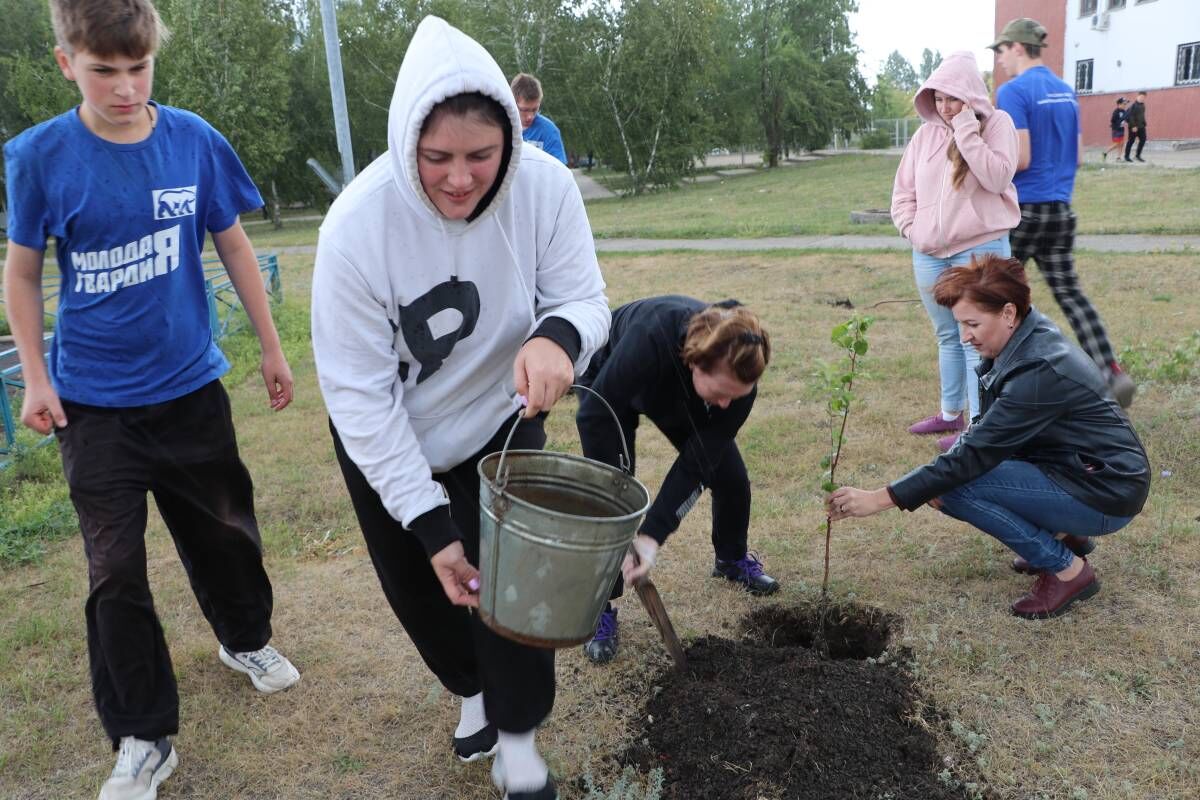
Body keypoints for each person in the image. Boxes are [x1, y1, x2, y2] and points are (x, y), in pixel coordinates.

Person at [2, 2, 301, 798]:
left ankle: (246, 639)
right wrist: (35, 374)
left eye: (139, 68)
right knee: (114, 573)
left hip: (191, 392)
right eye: (104, 71)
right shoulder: (38, 157)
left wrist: (271, 348)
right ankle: (142, 734)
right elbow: (24, 271)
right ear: (67, 62)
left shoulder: (194, 140)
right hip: (92, 405)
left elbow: (231, 241)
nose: (126, 87)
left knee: (225, 534)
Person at [311, 17, 609, 800]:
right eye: (436, 157)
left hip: (500, 420)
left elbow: (583, 296)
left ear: (512, 135)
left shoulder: (543, 187)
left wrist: (556, 339)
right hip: (393, 434)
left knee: (516, 589)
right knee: (426, 590)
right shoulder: (355, 227)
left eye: (480, 155)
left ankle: (518, 744)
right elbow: (359, 399)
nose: (458, 178)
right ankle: (470, 690)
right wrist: (430, 524)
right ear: (406, 142)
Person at [828, 254, 1149, 619]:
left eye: (972, 324)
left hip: (1105, 493)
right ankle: (1065, 533)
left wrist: (881, 498)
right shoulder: (1024, 337)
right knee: (951, 466)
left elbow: (972, 458)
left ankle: (1068, 570)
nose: (965, 337)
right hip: (1084, 472)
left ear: (1008, 313)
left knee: (953, 486)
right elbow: (983, 436)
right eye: (960, 325)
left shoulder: (1037, 369)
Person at [575, 296, 777, 665]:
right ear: (696, 363)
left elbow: (698, 462)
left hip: (678, 393)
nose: (728, 406)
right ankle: (599, 607)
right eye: (722, 393)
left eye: (738, 396)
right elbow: (592, 415)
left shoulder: (736, 388)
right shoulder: (649, 337)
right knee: (610, 500)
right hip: (611, 386)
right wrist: (622, 508)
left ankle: (731, 560)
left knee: (731, 478)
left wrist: (651, 535)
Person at [990, 17, 1136, 408]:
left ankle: (994, 382)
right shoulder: (1066, 92)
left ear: (1018, 47)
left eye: (1001, 50)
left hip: (1023, 212)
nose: (1000, 59)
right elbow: (1077, 158)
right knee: (1070, 293)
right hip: (1060, 210)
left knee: (992, 296)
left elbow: (1020, 157)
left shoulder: (1012, 92)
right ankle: (1109, 370)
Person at [891, 51, 1020, 452]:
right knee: (946, 334)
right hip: (929, 253)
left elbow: (998, 176)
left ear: (970, 95)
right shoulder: (924, 136)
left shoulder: (997, 125)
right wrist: (913, 230)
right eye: (939, 99)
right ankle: (950, 414)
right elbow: (903, 192)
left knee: (975, 338)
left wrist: (966, 129)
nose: (945, 108)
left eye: (953, 99)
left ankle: (978, 425)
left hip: (979, 251)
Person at [510, 73, 568, 165]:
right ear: (512, 103)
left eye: (535, 109)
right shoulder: (499, 128)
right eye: (524, 110)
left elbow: (558, 170)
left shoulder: (549, 131)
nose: (530, 116)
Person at [1124, 91, 1147, 163]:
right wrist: (1133, 126)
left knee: (1143, 140)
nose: (1142, 98)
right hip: (1133, 127)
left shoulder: (1143, 105)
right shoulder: (1133, 106)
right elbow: (1130, 116)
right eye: (1141, 97)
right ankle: (1126, 156)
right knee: (1131, 141)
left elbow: (1141, 116)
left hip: (1141, 126)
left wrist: (1144, 122)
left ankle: (1137, 155)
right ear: (1137, 96)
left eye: (1144, 97)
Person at [1102, 98, 1127, 162]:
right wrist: (1119, 123)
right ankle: (1105, 152)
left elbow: (1126, 119)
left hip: (1121, 129)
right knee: (1117, 144)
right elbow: (1112, 120)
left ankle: (1118, 157)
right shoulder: (1116, 112)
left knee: (1122, 143)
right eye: (1124, 104)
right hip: (1116, 130)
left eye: (1125, 104)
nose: (1125, 105)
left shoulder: (1124, 111)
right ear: (1119, 104)